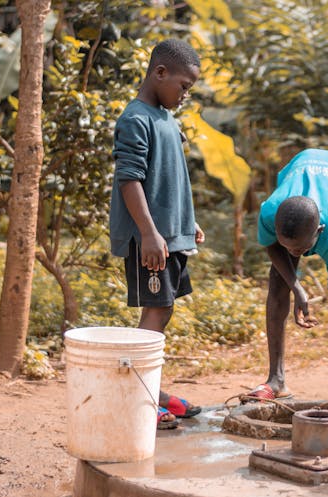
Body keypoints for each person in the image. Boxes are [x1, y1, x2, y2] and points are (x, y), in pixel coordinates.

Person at [109, 39, 204, 429]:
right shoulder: (136, 118)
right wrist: (148, 234)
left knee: (164, 309)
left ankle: (152, 389)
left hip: (171, 235)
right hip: (150, 240)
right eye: (183, 86)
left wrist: (188, 222)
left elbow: (172, 178)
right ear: (159, 73)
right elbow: (129, 179)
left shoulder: (167, 118)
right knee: (156, 310)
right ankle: (138, 396)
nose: (184, 95)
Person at [247, 148, 328, 415]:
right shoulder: (270, 211)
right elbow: (272, 247)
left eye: (300, 249)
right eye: (290, 247)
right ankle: (277, 379)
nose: (296, 254)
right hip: (297, 190)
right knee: (277, 282)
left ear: (319, 232)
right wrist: (296, 285)